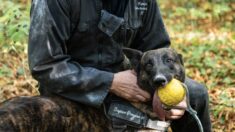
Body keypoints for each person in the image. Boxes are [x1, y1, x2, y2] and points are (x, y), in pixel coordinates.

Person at [28, 0, 211, 131]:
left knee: (194, 93)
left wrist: (162, 89)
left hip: (132, 85)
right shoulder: (50, 3)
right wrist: (111, 82)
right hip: (73, 92)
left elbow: (157, 50)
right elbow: (44, 65)